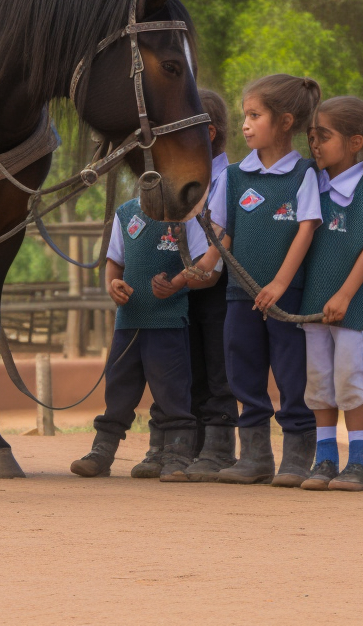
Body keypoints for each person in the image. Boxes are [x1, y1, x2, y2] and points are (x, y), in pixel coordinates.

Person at [186, 75, 323, 486]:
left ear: (284, 121)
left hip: (287, 297)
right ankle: (256, 457)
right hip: (238, 296)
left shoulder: (305, 173)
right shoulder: (234, 177)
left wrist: (280, 283)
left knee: (291, 375)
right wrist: (202, 267)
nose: (244, 124)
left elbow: (307, 229)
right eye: (245, 115)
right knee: (242, 372)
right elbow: (223, 236)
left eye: (254, 115)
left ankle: (297, 458)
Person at [69, 196, 213, 479]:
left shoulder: (188, 214)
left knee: (172, 389)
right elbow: (115, 261)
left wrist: (176, 284)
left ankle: (177, 454)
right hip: (129, 320)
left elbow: (202, 262)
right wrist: (114, 284)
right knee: (119, 385)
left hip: (168, 320)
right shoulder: (126, 212)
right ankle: (102, 450)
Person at [144, 89, 241, 482]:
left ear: (210, 133)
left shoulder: (229, 179)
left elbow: (220, 239)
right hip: (182, 284)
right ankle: (186, 443)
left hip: (216, 282)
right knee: (186, 365)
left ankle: (218, 447)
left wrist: (189, 275)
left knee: (218, 363)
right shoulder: (180, 180)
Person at [293, 97, 363, 492]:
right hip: (313, 305)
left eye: (325, 137)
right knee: (318, 381)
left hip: (348, 306)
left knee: (351, 378)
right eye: (312, 137)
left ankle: (361, 464)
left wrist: (346, 295)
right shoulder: (312, 183)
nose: (315, 145)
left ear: (355, 142)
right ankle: (326, 459)